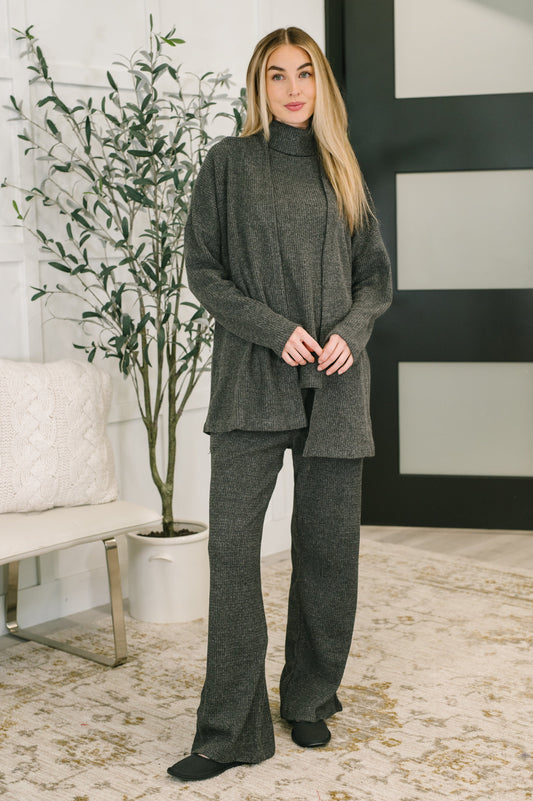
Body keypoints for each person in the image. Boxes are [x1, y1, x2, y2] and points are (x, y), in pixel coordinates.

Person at [167, 26, 392, 782]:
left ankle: (309, 696)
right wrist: (275, 330)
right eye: (275, 75)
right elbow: (204, 270)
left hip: (335, 386)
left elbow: (374, 281)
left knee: (328, 553)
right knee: (232, 553)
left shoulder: (341, 170)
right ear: (256, 87)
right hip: (249, 385)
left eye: (304, 74)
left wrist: (351, 332)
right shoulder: (227, 164)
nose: (292, 88)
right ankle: (229, 729)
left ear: (320, 84)